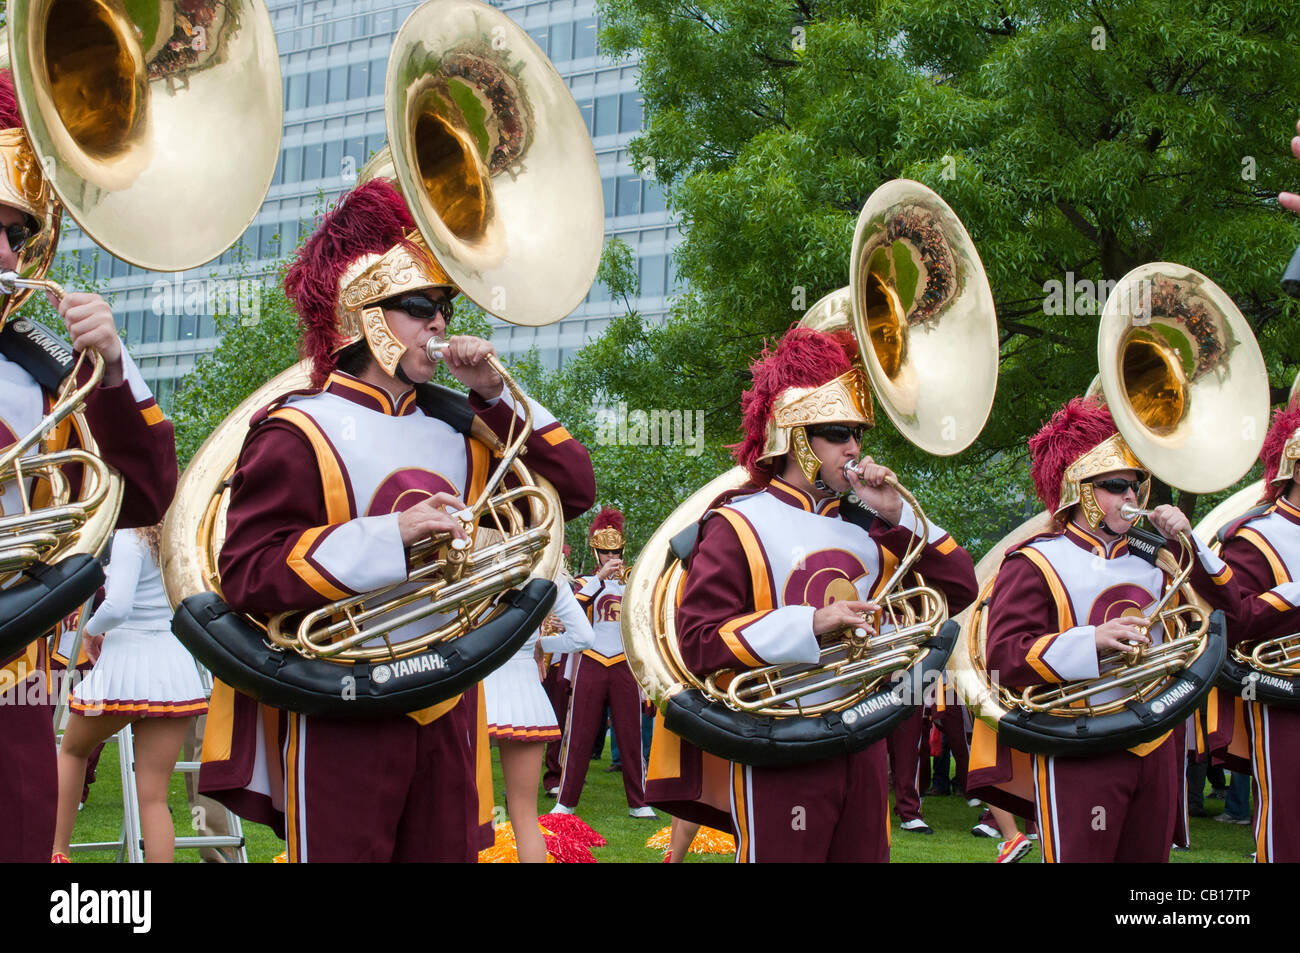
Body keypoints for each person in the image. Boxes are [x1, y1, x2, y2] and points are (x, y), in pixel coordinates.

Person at [198, 179, 595, 862]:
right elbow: (246, 572)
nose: (440, 323)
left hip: (448, 701)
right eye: (419, 307)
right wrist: (391, 536)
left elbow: (574, 487)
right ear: (362, 313)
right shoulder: (298, 428)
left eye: (444, 306)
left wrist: (496, 394)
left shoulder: (462, 426)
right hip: (342, 705)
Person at [649, 326, 978, 862]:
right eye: (836, 433)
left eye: (857, 434)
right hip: (781, 737)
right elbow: (701, 642)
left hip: (865, 735)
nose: (854, 449)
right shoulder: (737, 522)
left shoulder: (871, 528)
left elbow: (960, 587)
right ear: (794, 436)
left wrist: (899, 514)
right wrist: (811, 624)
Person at [0, 69, 178, 863]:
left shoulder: (47, 372)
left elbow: (144, 493)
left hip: (15, 684)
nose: (7, 250)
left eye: (17, 231)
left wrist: (111, 358)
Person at [975, 396, 1241, 863]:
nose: (1131, 498)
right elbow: (1002, 656)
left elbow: (1231, 608)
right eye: (1116, 486)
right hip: (1082, 742)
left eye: (1136, 486)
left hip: (1157, 740)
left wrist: (1189, 541)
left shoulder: (1159, 557)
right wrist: (1090, 641)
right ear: (1080, 489)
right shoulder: (1036, 560)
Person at [52, 524, 205, 862]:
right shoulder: (181, 534)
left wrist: (89, 632)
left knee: (73, 751)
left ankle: (57, 852)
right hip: (173, 665)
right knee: (154, 798)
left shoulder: (129, 536)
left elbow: (117, 606)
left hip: (126, 662)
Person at [1212, 400, 1300, 860]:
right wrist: (1295, 593)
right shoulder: (1254, 536)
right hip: (1286, 698)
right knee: (1291, 827)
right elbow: (1233, 622)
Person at [551, 507, 656, 819]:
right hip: (591, 661)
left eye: (615, 552)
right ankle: (565, 801)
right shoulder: (585, 582)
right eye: (605, 552)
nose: (611, 557)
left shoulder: (633, 582)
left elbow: (645, 624)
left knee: (630, 735)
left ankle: (638, 802)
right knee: (580, 733)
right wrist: (599, 578)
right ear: (596, 553)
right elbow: (572, 607)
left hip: (625, 663)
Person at [483, 582, 594, 862]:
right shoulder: (549, 571)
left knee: (463, 809)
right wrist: (540, 644)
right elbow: (583, 637)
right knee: (525, 817)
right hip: (524, 690)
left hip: (474, 683)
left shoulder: (466, 557)